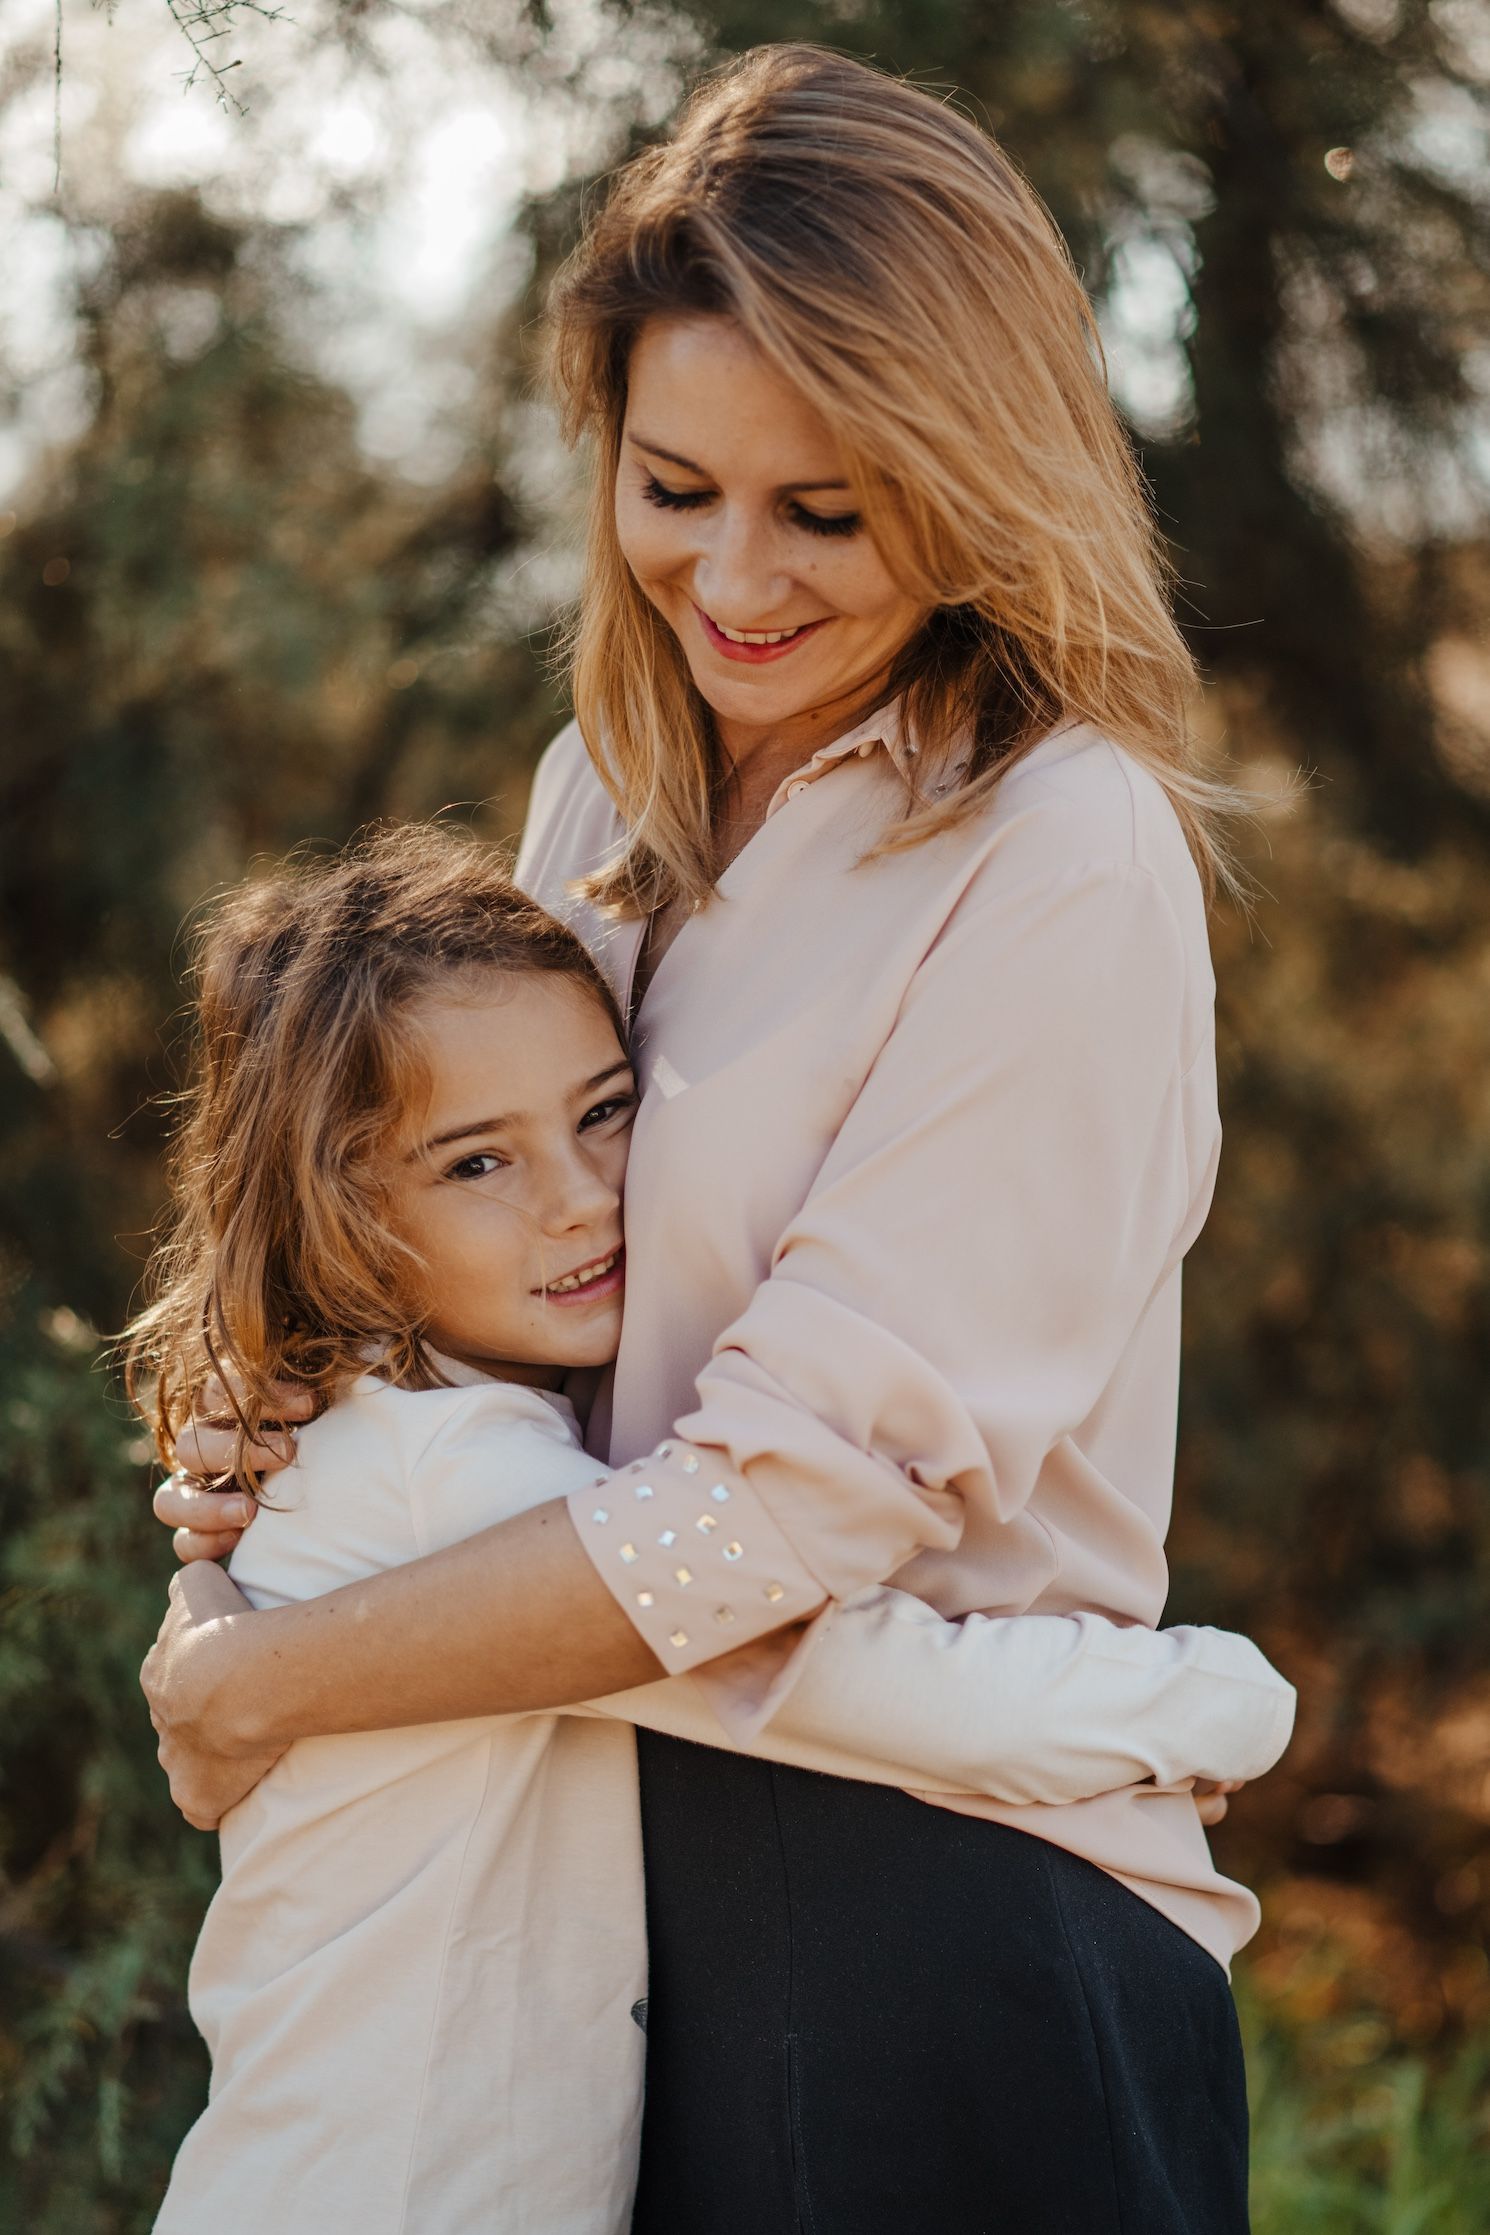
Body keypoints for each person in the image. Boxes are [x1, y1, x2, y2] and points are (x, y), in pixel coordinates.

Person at [145, 43, 1281, 2231]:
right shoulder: (608, 790)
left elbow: (775, 1511)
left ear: (973, 476)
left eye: (826, 509)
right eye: (674, 486)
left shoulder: (1060, 850)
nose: (733, 577)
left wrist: (267, 1675)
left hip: (949, 1918)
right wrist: (278, 1459)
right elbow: (468, 1258)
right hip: (607, 1895)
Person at [129, 825, 1289, 2233]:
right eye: (475, 1166)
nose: (577, 1198)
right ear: (334, 1210)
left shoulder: (388, 1431)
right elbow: (854, 1686)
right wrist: (1205, 1706)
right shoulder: (453, 1472)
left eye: (605, 1111)